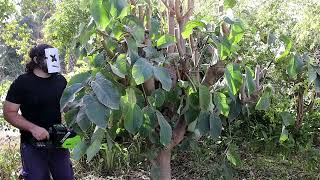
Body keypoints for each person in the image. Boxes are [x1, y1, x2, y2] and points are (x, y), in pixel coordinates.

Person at [2, 44, 74, 180]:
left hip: (59, 141)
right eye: (50, 57)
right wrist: (33, 128)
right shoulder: (22, 83)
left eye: (55, 57)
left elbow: (67, 107)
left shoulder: (61, 81)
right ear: (36, 60)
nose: (54, 60)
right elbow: (9, 112)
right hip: (31, 144)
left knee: (66, 177)